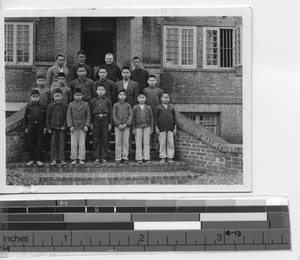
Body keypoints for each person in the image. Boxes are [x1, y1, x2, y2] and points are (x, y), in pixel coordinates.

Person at [116, 67, 139, 152]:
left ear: (130, 74)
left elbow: (136, 97)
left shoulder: (135, 84)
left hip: (130, 108)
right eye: (124, 73)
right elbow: (116, 96)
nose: (125, 74)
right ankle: (120, 148)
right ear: (121, 74)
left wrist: (134, 108)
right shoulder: (117, 84)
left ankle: (128, 147)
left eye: (127, 72)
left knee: (129, 127)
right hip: (120, 109)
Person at [67, 88, 91, 165]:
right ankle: (74, 158)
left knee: (82, 143)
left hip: (82, 126)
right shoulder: (71, 104)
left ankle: (81, 158)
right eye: (76, 95)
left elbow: (88, 115)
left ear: (82, 96)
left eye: (79, 95)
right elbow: (69, 115)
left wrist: (87, 125)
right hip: (74, 126)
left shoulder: (86, 104)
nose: (78, 96)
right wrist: (70, 125)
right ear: (74, 96)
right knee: (73, 143)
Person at [23, 89, 47, 167]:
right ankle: (31, 159)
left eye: (36, 97)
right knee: (31, 142)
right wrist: (26, 127)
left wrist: (45, 127)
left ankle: (39, 159)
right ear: (31, 97)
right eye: (33, 97)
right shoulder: (28, 106)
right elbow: (25, 117)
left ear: (39, 97)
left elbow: (45, 117)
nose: (35, 98)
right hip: (31, 125)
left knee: (39, 142)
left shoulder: (42, 106)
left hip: (40, 125)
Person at [91, 85, 112, 165]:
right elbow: (90, 111)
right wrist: (91, 123)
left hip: (105, 119)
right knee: (96, 138)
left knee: (104, 138)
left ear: (105, 91)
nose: (100, 91)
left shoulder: (108, 100)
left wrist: (110, 123)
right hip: (96, 119)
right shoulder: (93, 100)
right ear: (96, 91)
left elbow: (110, 111)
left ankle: (103, 157)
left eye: (102, 90)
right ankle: (96, 157)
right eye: (99, 90)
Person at [46, 88, 68, 166]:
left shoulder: (65, 106)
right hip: (53, 127)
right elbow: (48, 117)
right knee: (53, 144)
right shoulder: (50, 106)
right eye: (56, 96)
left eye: (59, 96)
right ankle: (54, 159)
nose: (57, 97)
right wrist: (48, 127)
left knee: (61, 143)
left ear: (61, 96)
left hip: (61, 127)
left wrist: (64, 126)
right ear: (53, 96)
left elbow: (66, 117)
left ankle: (61, 159)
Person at [143, 74, 164, 150]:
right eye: (150, 81)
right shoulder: (145, 90)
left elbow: (161, 101)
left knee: (155, 127)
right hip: (148, 112)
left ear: (155, 82)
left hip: (156, 112)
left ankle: (155, 145)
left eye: (153, 81)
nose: (152, 82)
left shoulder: (159, 91)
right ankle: (149, 144)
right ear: (148, 82)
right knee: (148, 128)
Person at [156, 93, 177, 163]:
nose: (165, 99)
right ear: (161, 98)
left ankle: (170, 157)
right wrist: (156, 127)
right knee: (162, 143)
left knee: (170, 143)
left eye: (167, 97)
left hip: (170, 127)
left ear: (169, 99)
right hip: (161, 127)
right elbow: (156, 118)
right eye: (164, 97)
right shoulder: (158, 107)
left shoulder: (171, 107)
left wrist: (175, 127)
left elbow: (174, 118)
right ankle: (162, 157)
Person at [132, 93, 153, 164]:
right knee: (138, 142)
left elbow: (151, 118)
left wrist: (151, 128)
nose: (141, 99)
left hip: (147, 126)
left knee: (146, 142)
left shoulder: (148, 107)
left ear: (145, 99)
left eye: (143, 97)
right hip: (138, 126)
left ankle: (146, 158)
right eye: (140, 97)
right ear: (138, 99)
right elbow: (133, 118)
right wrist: (133, 128)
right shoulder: (135, 107)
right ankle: (139, 158)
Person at [113, 89, 132, 164]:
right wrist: (118, 124)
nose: (122, 96)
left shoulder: (128, 105)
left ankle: (125, 157)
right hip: (118, 126)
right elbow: (114, 115)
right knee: (118, 142)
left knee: (125, 142)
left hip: (126, 126)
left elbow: (130, 115)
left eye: (123, 95)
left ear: (126, 96)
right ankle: (118, 157)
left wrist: (126, 124)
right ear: (118, 96)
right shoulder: (116, 105)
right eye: (120, 95)